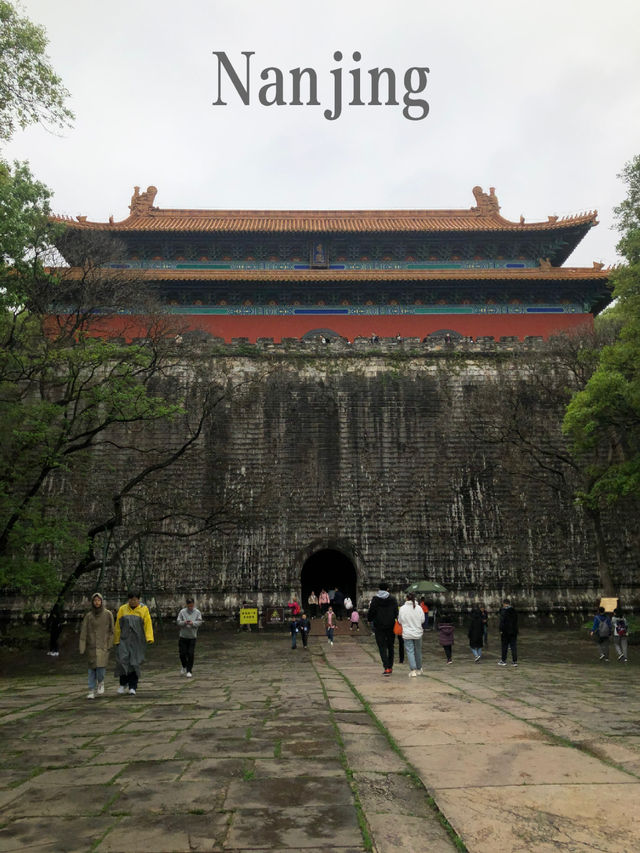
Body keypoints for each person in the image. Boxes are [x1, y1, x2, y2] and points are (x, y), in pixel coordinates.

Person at [114, 591, 154, 695]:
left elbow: (147, 624)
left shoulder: (143, 610)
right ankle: (123, 684)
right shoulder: (123, 609)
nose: (133, 601)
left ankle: (133, 686)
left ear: (139, 599)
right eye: (131, 599)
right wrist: (116, 639)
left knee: (134, 663)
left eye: (135, 599)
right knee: (122, 661)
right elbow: (118, 626)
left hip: (137, 641)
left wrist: (149, 637)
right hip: (124, 640)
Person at [79, 593, 114, 699]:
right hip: (91, 646)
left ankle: (101, 682)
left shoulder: (108, 614)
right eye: (95, 600)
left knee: (100, 669)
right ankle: (91, 690)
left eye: (99, 600)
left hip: (103, 645)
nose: (97, 602)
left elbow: (112, 630)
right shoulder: (89, 616)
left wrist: (109, 644)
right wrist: (82, 646)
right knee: (91, 670)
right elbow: (83, 631)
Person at [367, 581, 399, 676]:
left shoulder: (375, 599)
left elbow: (371, 611)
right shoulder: (392, 599)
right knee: (390, 646)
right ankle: (390, 666)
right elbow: (396, 612)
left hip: (379, 626)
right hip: (390, 625)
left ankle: (386, 667)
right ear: (387, 589)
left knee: (382, 647)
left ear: (379, 589)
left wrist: (369, 619)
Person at [398, 593, 424, 676]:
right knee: (418, 651)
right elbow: (422, 620)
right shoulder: (419, 608)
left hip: (407, 633)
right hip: (417, 632)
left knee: (410, 651)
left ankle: (413, 670)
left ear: (406, 599)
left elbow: (400, 621)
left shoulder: (402, 608)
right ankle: (419, 668)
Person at [177, 597, 203, 677]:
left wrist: (193, 623)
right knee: (182, 653)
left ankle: (189, 670)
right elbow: (178, 622)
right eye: (189, 605)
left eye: (191, 605)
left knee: (190, 653)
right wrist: (184, 622)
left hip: (192, 636)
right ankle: (184, 666)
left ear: (193, 604)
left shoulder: (197, 612)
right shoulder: (182, 612)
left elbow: (199, 622)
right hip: (183, 636)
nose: (190, 607)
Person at [498, 599, 518, 667]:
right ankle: (514, 661)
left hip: (505, 631)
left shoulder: (504, 611)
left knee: (504, 646)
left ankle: (503, 660)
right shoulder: (514, 611)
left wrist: (501, 630)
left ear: (504, 603)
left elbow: (502, 622)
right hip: (513, 631)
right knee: (513, 646)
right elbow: (516, 621)